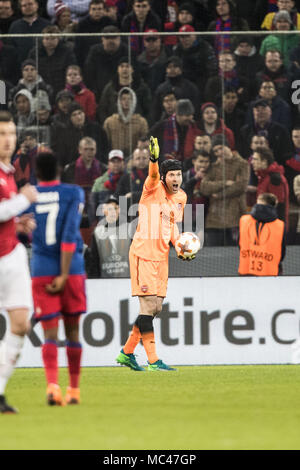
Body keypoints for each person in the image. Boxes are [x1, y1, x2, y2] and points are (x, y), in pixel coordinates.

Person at [116, 136, 189, 372]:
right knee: (147, 309)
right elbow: (154, 175)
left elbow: (172, 225)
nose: (176, 179)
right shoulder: (152, 189)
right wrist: (154, 160)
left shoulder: (181, 198)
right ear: (165, 177)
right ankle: (153, 360)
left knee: (156, 308)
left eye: (179, 174)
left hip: (161, 256)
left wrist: (179, 245)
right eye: (173, 175)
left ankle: (127, 353)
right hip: (143, 254)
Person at [30, 151, 86, 406]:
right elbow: (69, 233)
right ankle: (73, 390)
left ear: (37, 173)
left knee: (49, 334)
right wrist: (64, 274)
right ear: (59, 171)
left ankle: (52, 386)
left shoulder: (29, 196)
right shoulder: (73, 193)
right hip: (71, 269)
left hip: (41, 269)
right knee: (73, 332)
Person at [0, 110, 37, 413]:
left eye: (11, 133)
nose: (8, 139)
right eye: (1, 134)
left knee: (21, 324)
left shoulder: (9, 172)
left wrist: (19, 224)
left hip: (10, 255)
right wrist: (24, 200)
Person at [200, 134, 249, 247]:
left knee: (233, 255)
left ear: (228, 146)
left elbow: (240, 186)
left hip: (235, 216)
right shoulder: (214, 166)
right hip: (214, 218)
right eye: (216, 151)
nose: (219, 152)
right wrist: (225, 183)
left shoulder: (242, 164)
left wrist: (219, 194)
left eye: (221, 148)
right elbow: (204, 187)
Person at [238, 192, 285, 276]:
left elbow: (240, 244)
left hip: (247, 270)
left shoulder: (244, 221)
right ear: (274, 206)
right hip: (271, 272)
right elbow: (282, 252)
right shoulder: (279, 225)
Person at [86, 194, 131, 278]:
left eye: (115, 208)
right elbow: (94, 260)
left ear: (119, 210)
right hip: (105, 282)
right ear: (104, 211)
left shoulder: (130, 229)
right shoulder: (97, 232)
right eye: (109, 208)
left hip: (127, 281)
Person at [103, 87, 149, 158]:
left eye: (129, 99)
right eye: (123, 99)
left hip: (134, 160)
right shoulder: (109, 122)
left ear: (134, 101)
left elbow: (145, 145)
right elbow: (105, 145)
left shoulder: (141, 122)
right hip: (114, 159)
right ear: (119, 101)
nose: (126, 101)